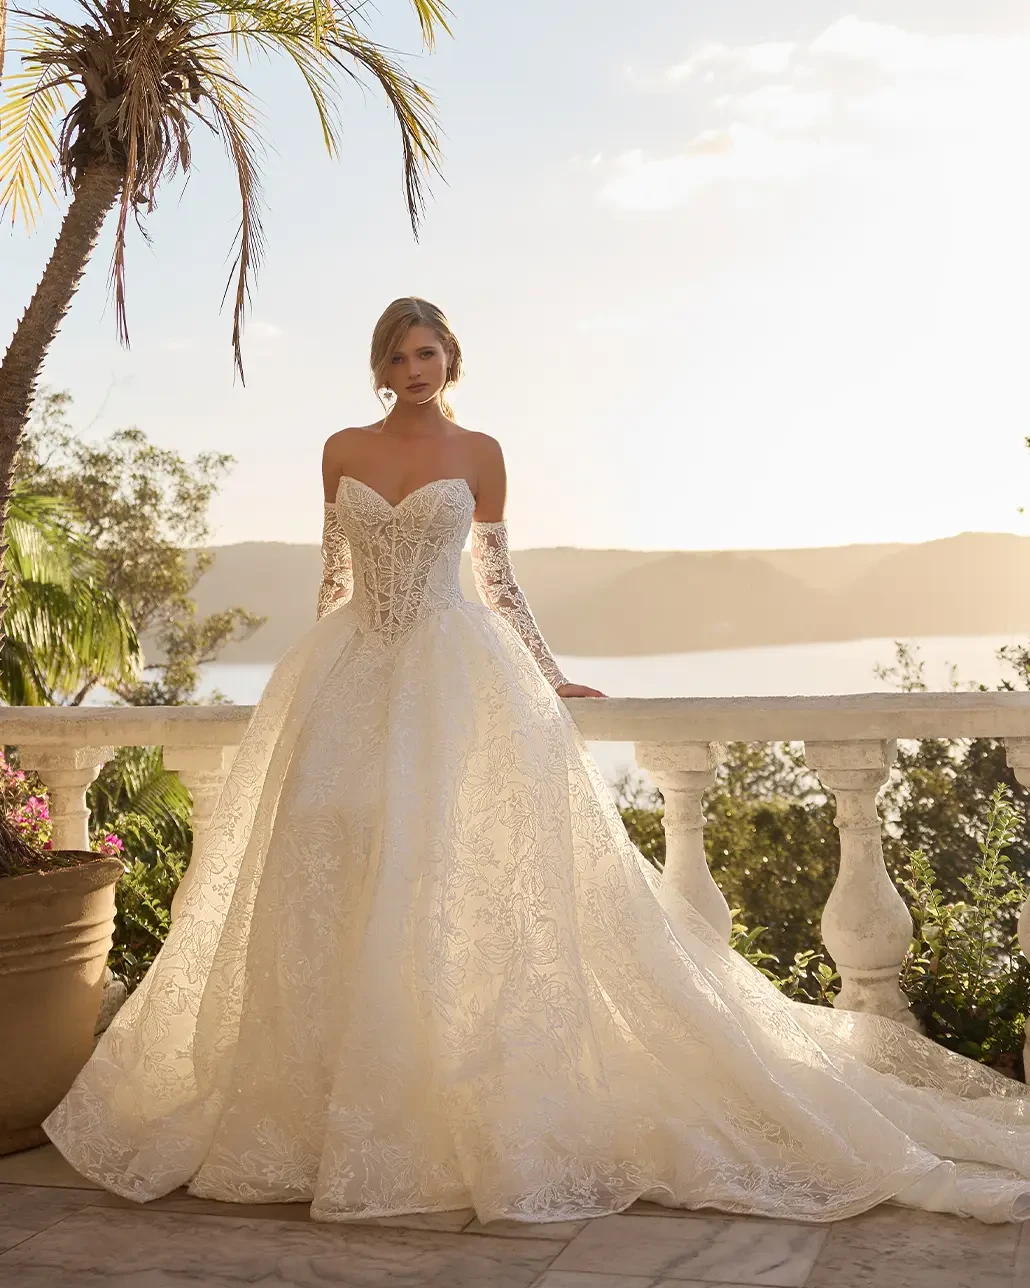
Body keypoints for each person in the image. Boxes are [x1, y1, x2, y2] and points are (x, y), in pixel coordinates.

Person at [44, 298, 1030, 1226]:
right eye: (396, 354)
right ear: (379, 366)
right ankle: (327, 1102)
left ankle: (437, 1091)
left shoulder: (479, 452)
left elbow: (498, 580)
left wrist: (551, 675)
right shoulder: (342, 448)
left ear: (449, 358)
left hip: (448, 674)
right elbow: (332, 575)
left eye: (426, 352)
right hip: (347, 676)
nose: (412, 369)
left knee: (443, 874)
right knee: (326, 870)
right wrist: (308, 689)